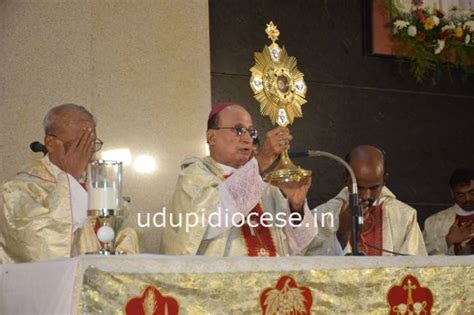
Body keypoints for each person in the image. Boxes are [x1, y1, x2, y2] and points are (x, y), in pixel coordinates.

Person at [160, 102, 318, 256]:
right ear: (212, 137)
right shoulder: (194, 174)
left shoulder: (264, 184)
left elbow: (296, 247)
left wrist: (296, 207)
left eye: (251, 132)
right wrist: (263, 160)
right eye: (239, 130)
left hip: (272, 281)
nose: (248, 139)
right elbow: (205, 225)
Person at [0, 104, 139, 263]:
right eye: (79, 143)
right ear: (51, 143)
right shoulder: (16, 191)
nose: (87, 151)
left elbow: (128, 228)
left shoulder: (97, 185)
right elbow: (37, 244)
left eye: (92, 143)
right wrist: (70, 176)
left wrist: (115, 266)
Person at [307, 145, 427, 256]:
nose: (365, 195)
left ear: (384, 180)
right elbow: (312, 268)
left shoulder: (404, 217)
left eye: (374, 187)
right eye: (359, 187)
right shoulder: (322, 215)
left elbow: (414, 269)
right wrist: (342, 234)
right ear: (345, 178)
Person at [424, 168, 474, 255]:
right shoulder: (434, 222)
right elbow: (420, 254)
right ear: (452, 193)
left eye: (472, 193)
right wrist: (447, 240)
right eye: (461, 195)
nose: (467, 198)